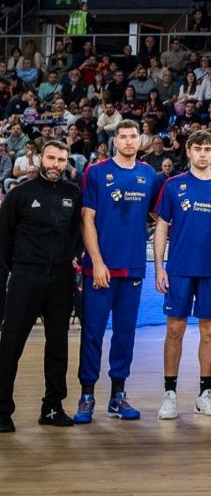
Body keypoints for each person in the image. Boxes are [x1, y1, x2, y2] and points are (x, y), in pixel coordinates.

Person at [72, 120, 162, 424]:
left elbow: (159, 215)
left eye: (132, 136)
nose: (127, 141)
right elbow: (87, 218)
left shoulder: (148, 174)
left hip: (134, 267)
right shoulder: (96, 172)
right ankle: (87, 396)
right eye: (122, 136)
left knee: (125, 334)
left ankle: (117, 396)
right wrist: (96, 261)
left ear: (140, 140)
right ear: (114, 141)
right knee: (93, 333)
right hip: (99, 270)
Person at [153, 130, 211, 420]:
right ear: (188, 152)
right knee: (174, 330)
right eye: (198, 149)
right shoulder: (173, 185)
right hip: (179, 270)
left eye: (208, 149)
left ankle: (204, 394)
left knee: (209, 332)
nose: (203, 154)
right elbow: (162, 226)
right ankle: (170, 393)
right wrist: (159, 267)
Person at [0, 140, 81, 433]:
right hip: (25, 277)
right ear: (40, 159)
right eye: (51, 158)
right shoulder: (19, 194)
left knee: (58, 345)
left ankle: (52, 407)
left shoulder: (74, 194)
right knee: (11, 345)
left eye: (61, 159)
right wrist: (22, 267)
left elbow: (76, 236)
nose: (56, 164)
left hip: (61, 280)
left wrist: (67, 260)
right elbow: (5, 239)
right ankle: (1, 410)